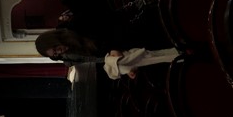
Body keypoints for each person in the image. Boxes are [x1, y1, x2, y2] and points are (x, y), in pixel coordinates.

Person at [35, 28, 180, 79]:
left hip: (127, 36)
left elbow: (109, 28)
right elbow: (101, 60)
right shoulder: (71, 54)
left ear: (55, 39)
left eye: (56, 48)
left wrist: (113, 49)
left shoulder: (76, 28)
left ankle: (175, 54)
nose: (59, 52)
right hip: (118, 54)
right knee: (121, 65)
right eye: (55, 54)